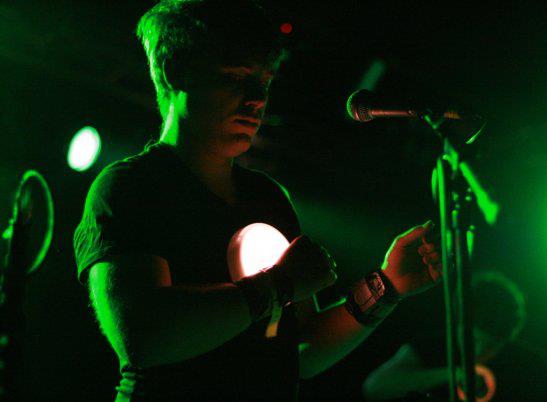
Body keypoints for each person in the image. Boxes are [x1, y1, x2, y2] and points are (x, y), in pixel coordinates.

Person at [73, 1, 442, 400]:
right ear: (174, 72)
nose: (255, 100)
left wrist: (388, 285)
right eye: (234, 77)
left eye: (263, 83)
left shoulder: (268, 197)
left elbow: (299, 350)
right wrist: (279, 283)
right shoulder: (131, 186)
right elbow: (144, 337)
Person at [363, 271, 547, 402]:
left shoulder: (529, 362)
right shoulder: (431, 346)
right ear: (460, 322)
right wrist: (455, 374)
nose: (479, 350)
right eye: (473, 340)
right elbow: (374, 387)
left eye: (491, 346)